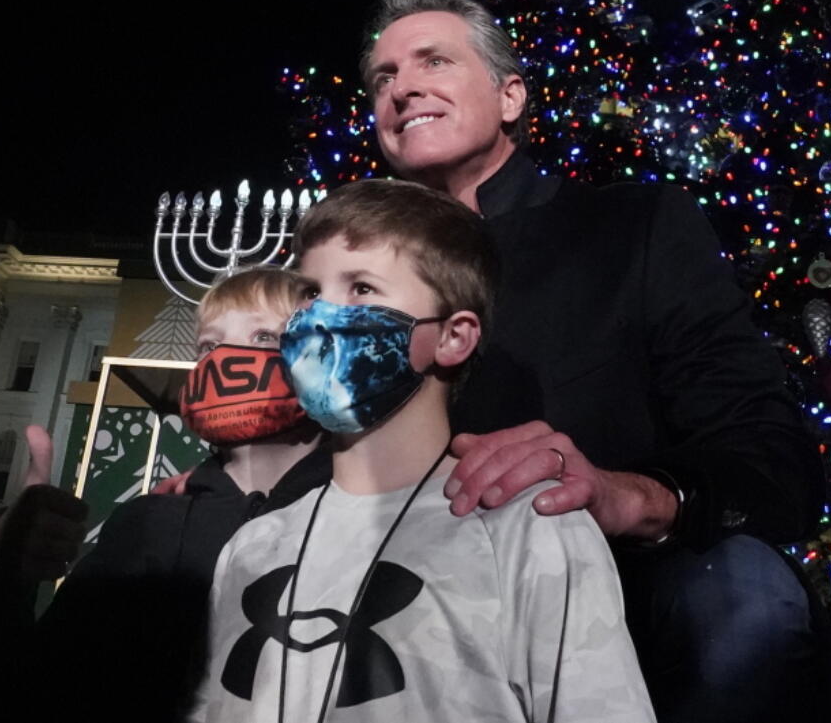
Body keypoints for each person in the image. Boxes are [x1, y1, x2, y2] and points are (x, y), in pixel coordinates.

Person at [358, 0, 831, 723]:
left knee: (746, 594)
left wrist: (628, 495)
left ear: (511, 98)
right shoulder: (352, 283)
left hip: (627, 594)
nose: (402, 89)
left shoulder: (634, 227)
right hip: (419, 592)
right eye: (384, 78)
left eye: (433, 62)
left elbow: (772, 460)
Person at [192, 179, 654, 722]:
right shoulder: (252, 547)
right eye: (311, 293)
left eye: (362, 288)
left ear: (453, 337)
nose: (320, 319)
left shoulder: (529, 529)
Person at [0, 266, 330, 723]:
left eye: (263, 337)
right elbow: (14, 695)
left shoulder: (369, 519)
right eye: (209, 346)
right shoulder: (149, 528)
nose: (224, 360)